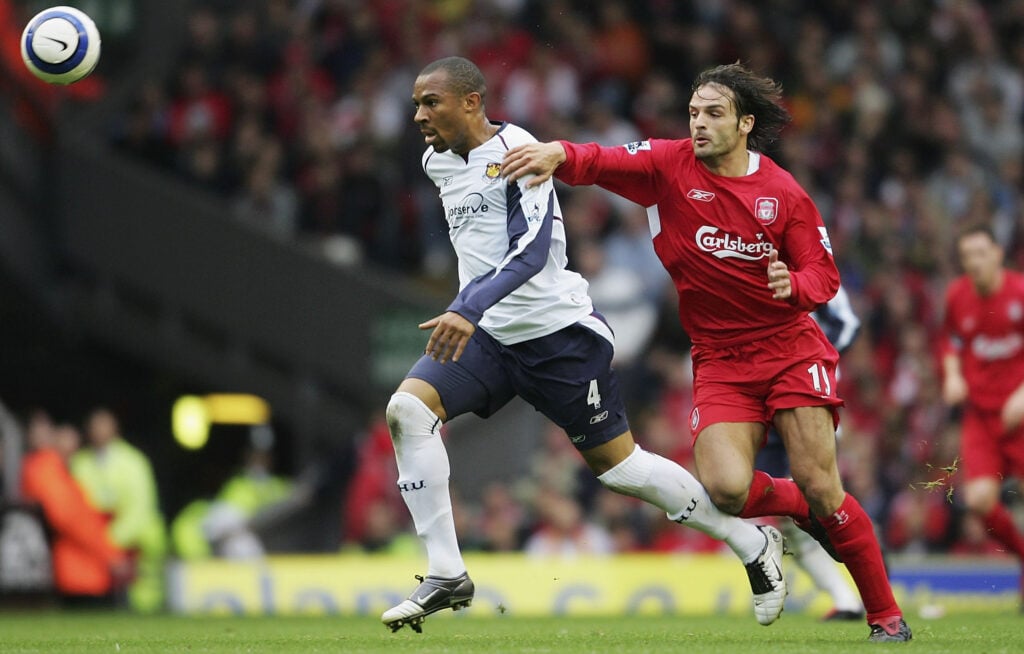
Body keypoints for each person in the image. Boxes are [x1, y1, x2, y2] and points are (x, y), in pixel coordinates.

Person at [501, 62, 911, 642]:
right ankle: (803, 514)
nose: (698, 123)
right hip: (719, 358)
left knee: (822, 483)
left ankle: (886, 617)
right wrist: (558, 155)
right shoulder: (668, 166)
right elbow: (602, 159)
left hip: (791, 348)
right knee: (726, 489)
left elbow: (823, 272)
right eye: (693, 112)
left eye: (713, 113)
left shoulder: (783, 193)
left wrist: (793, 286)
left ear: (745, 123)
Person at [381, 56, 787, 634]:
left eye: (431, 102)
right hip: (493, 337)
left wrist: (465, 306)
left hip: (559, 336)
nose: (418, 114)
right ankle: (446, 571)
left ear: (472, 102)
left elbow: (530, 251)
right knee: (407, 410)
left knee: (618, 470)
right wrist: (473, 309)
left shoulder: (519, 152)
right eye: (417, 103)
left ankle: (749, 539)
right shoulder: (436, 162)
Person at [756, 286, 865, 621]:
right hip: (762, 402)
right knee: (782, 509)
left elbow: (847, 324)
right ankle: (845, 599)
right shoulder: (743, 269)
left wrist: (803, 356)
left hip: (810, 398)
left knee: (825, 498)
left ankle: (872, 584)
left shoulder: (816, 278)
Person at [940, 223, 1024, 605]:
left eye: (980, 253)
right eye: (966, 256)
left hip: (1020, 413)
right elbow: (951, 341)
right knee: (978, 501)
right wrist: (954, 375)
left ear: (998, 254)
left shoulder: (1019, 293)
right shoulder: (957, 296)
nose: (973, 263)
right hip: (981, 418)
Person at [20, 412, 130, 607]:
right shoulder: (46, 467)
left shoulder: (61, 468)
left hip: (81, 569)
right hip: (78, 571)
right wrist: (110, 555)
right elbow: (71, 519)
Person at [70, 407, 168, 613]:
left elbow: (140, 508)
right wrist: (101, 544)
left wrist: (112, 541)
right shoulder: (81, 463)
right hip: (96, 542)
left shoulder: (133, 462)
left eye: (104, 424)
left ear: (115, 428)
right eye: (95, 426)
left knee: (143, 599)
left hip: (136, 541)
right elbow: (78, 509)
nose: (99, 430)